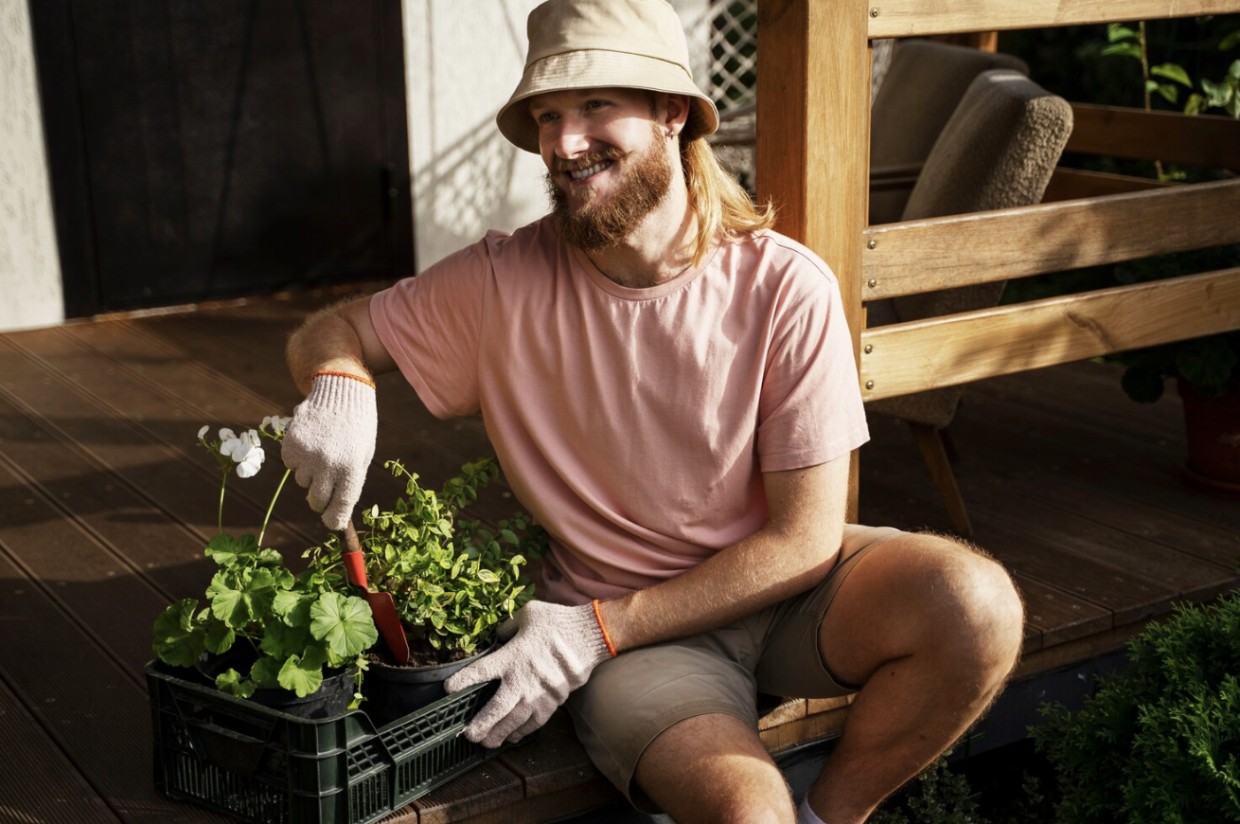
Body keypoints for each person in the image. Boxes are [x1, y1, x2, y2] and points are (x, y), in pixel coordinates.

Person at [279, 1, 1025, 822]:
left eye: (597, 105)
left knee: (976, 604)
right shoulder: (500, 282)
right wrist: (338, 385)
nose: (564, 143)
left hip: (776, 596)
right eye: (550, 114)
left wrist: (591, 633)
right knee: (747, 813)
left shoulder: (784, 287)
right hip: (639, 642)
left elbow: (808, 539)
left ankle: (832, 815)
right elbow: (335, 329)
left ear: (673, 112)